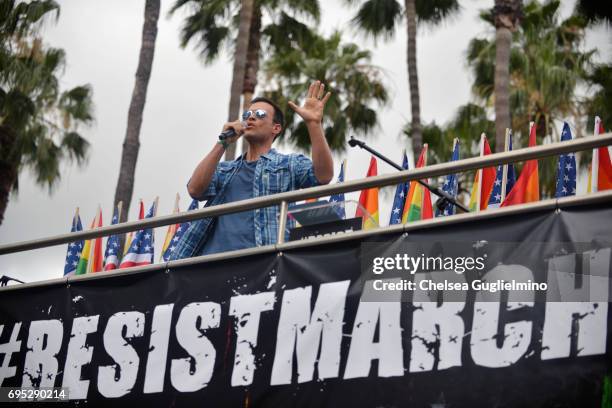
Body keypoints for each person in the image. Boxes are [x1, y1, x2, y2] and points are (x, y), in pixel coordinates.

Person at [170, 80, 334, 260]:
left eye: (260, 114)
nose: (251, 117)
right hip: (211, 265)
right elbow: (195, 189)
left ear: (276, 128)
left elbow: (324, 176)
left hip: (262, 263)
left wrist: (313, 124)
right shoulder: (225, 170)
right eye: (247, 114)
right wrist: (222, 142)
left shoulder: (288, 164)